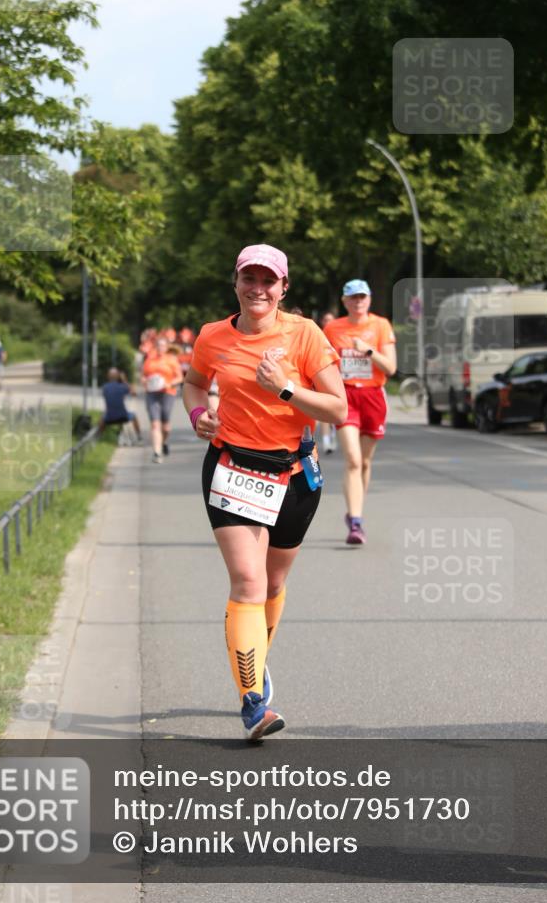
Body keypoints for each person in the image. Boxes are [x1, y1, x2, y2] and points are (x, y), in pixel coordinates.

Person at [183, 244, 346, 741]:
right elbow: (193, 384)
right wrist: (198, 416)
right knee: (248, 583)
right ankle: (253, 703)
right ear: (235, 281)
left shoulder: (304, 335)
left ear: (283, 288)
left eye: (268, 281)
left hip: (294, 475)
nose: (258, 289)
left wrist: (285, 389)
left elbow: (337, 409)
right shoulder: (213, 336)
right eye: (248, 278)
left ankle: (254, 657)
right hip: (232, 468)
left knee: (273, 586)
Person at [323, 280, 397, 545]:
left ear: (369, 300)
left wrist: (368, 351)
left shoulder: (380, 325)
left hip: (373, 396)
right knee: (353, 460)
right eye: (353, 297)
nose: (358, 301)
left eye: (362, 297)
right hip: (346, 396)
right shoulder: (333, 328)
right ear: (345, 302)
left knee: (365, 462)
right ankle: (355, 522)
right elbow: (323, 362)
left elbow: (390, 368)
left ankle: (356, 510)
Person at [142, 336, 184, 463]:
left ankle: (163, 442)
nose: (160, 348)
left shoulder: (171, 360)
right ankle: (157, 453)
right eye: (158, 345)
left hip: (168, 393)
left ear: (166, 347)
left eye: (162, 345)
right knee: (155, 424)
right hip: (152, 394)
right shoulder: (149, 359)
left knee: (166, 427)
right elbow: (143, 376)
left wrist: (169, 384)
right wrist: (145, 381)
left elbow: (180, 378)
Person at [98, 368, 143, 441]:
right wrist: (124, 380)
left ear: (108, 376)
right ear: (118, 377)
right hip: (123, 416)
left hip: (109, 418)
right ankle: (139, 436)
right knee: (134, 416)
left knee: (102, 416)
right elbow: (134, 393)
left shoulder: (105, 387)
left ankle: (99, 436)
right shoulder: (122, 387)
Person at [317, 311, 337, 455]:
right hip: (323, 376)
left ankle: (334, 435)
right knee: (324, 411)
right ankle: (326, 441)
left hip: (338, 376)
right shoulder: (318, 335)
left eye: (331, 320)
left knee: (335, 411)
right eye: (326, 320)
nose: (328, 322)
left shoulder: (339, 333)